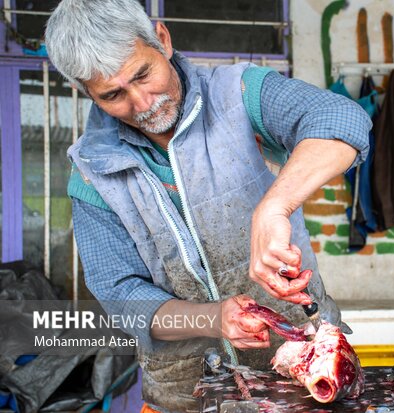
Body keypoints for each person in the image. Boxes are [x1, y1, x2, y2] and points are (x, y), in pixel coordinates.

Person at [45, 0, 371, 411]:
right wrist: (211, 318)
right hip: (182, 397)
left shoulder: (240, 94)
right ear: (86, 92)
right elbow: (121, 294)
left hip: (306, 383)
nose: (143, 103)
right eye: (113, 95)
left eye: (143, 75)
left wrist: (273, 208)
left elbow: (341, 120)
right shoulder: (92, 171)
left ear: (161, 40)